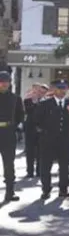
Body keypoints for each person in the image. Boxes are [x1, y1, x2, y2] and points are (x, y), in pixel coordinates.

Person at [37, 79, 69, 199]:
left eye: (64, 88)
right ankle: (46, 189)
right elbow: (37, 120)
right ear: (54, 90)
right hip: (48, 139)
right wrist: (45, 132)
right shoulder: (45, 104)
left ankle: (63, 189)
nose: (62, 91)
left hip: (64, 139)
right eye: (60, 88)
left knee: (64, 165)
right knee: (46, 165)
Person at [0, 72, 24, 203]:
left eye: (7, 81)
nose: (4, 83)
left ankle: (10, 192)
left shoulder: (15, 98)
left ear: (10, 83)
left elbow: (20, 115)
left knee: (9, 164)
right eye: (2, 81)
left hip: (8, 134)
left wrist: (13, 127)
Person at [22, 83, 46, 180]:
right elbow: (29, 111)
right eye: (35, 90)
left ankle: (39, 171)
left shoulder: (45, 101)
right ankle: (30, 171)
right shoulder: (28, 100)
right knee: (30, 151)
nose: (37, 92)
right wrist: (34, 102)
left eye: (39, 90)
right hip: (30, 128)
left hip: (41, 129)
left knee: (41, 150)